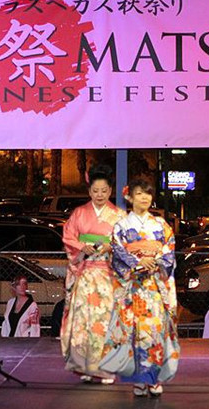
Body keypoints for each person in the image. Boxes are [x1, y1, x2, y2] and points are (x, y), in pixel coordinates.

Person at [103, 178, 179, 397]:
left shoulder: (161, 225)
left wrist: (154, 262)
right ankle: (138, 380)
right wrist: (138, 262)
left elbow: (169, 249)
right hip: (132, 287)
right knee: (133, 333)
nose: (144, 198)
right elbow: (118, 252)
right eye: (139, 194)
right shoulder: (121, 225)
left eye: (147, 194)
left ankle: (153, 378)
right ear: (129, 197)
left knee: (155, 330)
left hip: (154, 285)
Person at [60, 164, 126, 384]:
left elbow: (127, 243)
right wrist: (81, 246)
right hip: (85, 274)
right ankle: (85, 367)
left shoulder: (119, 216)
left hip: (107, 276)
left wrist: (112, 246)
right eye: (95, 191)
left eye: (104, 191)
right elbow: (68, 237)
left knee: (104, 321)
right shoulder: (79, 213)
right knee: (83, 322)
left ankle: (105, 369)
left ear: (110, 191)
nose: (99, 195)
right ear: (89, 191)